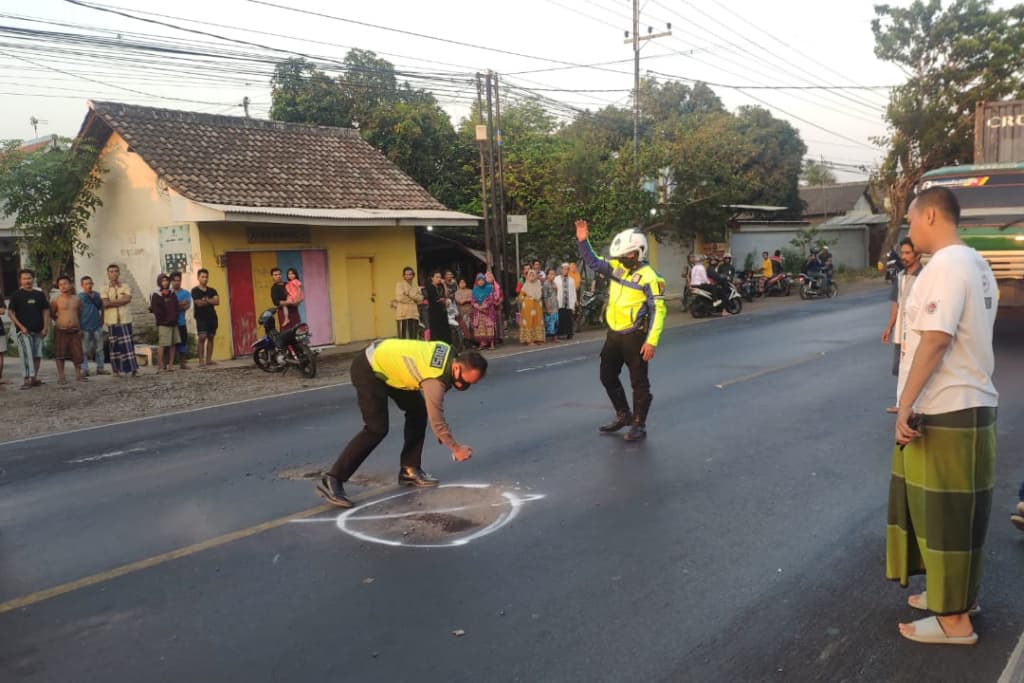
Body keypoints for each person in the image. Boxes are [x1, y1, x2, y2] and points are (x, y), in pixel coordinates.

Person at [887, 187, 998, 646]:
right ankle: (954, 596)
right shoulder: (976, 262)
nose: (909, 231)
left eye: (912, 221)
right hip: (965, 402)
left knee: (947, 516)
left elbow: (934, 339)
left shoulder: (947, 266)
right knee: (948, 514)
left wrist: (907, 402)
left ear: (931, 215)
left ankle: (955, 622)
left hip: (948, 406)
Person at [316, 340, 488, 508]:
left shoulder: (449, 352)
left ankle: (409, 469)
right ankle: (333, 479)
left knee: (417, 412)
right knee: (376, 429)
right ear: (457, 367)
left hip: (391, 367)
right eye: (464, 381)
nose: (463, 386)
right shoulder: (435, 379)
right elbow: (437, 421)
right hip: (369, 368)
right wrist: (456, 449)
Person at [576, 220, 666, 441]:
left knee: (639, 382)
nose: (620, 260)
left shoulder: (651, 278)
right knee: (607, 376)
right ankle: (623, 414)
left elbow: (658, 311)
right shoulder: (618, 268)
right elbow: (595, 263)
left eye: (624, 256)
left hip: (635, 337)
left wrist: (651, 341)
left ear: (636, 253)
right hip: (614, 335)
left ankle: (639, 424)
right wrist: (582, 241)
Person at [881, 238, 922, 413]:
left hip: (917, 331)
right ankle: (902, 403)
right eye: (902, 253)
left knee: (916, 367)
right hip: (901, 331)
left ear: (917, 254)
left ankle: (915, 405)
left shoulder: (924, 277)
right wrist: (889, 327)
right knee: (900, 367)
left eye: (907, 253)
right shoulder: (900, 276)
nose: (903, 257)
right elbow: (896, 304)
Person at [7, 269, 50, 389]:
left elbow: (45, 310)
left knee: (37, 355)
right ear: (20, 280)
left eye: (29, 278)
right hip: (24, 331)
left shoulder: (39, 294)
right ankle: (26, 380)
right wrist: (21, 327)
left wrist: (45, 327)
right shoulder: (16, 295)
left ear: (33, 279)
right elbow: (10, 313)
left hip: (39, 331)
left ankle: (34, 378)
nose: (27, 281)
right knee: (26, 355)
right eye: (25, 278)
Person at [101, 264, 138, 378]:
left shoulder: (125, 286)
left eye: (116, 271)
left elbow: (127, 299)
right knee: (114, 346)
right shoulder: (104, 288)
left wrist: (112, 302)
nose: (114, 273)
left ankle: (132, 369)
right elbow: (105, 303)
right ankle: (116, 370)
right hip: (112, 321)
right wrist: (120, 301)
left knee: (128, 345)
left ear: (119, 273)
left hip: (125, 320)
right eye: (111, 271)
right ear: (108, 274)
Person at [50, 276, 85, 384]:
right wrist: (61, 321)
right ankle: (61, 377)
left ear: (70, 284)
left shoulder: (77, 299)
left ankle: (78, 375)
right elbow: (52, 314)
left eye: (65, 283)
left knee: (77, 353)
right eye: (60, 285)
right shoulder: (56, 300)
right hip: (61, 330)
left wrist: (80, 328)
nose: (63, 286)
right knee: (60, 354)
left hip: (75, 330)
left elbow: (79, 314)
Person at [150, 273, 180, 372]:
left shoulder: (172, 293)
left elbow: (176, 306)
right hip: (163, 323)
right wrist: (163, 320)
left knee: (173, 344)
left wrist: (174, 317)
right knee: (162, 344)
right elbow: (156, 309)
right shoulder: (156, 294)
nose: (165, 282)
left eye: (166, 280)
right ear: (159, 282)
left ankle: (171, 365)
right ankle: (160, 365)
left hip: (173, 322)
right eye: (163, 280)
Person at [78, 276, 107, 377]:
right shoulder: (79, 297)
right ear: (82, 285)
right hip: (84, 326)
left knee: (99, 348)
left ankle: (100, 368)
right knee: (84, 350)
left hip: (96, 325)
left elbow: (102, 307)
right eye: (86, 284)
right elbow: (77, 312)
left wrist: (102, 318)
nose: (88, 286)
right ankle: (84, 369)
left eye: (90, 283)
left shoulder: (97, 295)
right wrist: (79, 327)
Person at [191, 268, 220, 367]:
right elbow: (198, 303)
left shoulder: (212, 290)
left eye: (206, 277)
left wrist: (206, 300)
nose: (205, 279)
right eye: (202, 277)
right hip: (201, 317)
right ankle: (201, 361)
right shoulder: (195, 290)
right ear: (198, 278)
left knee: (211, 337)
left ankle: (209, 360)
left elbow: (217, 301)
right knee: (202, 337)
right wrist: (209, 300)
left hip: (212, 317)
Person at [393, 266, 424, 340]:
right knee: (402, 337)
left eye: (410, 274)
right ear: (403, 276)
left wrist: (409, 294)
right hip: (402, 314)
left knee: (413, 336)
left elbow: (420, 300)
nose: (408, 276)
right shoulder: (400, 284)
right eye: (406, 274)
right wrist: (413, 299)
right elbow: (400, 298)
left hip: (414, 313)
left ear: (413, 275)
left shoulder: (415, 286)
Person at [517, 269, 545, 345]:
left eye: (533, 275)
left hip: (537, 306)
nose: (532, 277)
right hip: (528, 308)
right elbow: (520, 297)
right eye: (530, 275)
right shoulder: (525, 285)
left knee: (537, 322)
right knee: (529, 322)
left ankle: (537, 339)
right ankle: (529, 340)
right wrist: (527, 298)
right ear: (528, 276)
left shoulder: (538, 284)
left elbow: (540, 295)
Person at [170, 272, 191, 369]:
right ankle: (169, 364)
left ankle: (182, 363)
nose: (177, 283)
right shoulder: (168, 293)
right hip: (170, 322)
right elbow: (167, 308)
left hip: (181, 321)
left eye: (179, 280)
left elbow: (186, 306)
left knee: (183, 342)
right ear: (171, 281)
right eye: (175, 281)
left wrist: (175, 306)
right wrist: (179, 304)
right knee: (171, 343)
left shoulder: (186, 293)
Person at [471, 273, 498, 350]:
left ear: (484, 280)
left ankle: (492, 344)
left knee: (489, 327)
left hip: (488, 311)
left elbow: (491, 299)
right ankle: (482, 344)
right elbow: (472, 300)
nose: (480, 282)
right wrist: (478, 306)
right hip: (478, 312)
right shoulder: (475, 290)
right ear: (477, 281)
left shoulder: (489, 288)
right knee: (480, 327)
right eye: (479, 280)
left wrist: (484, 306)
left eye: (482, 280)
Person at [426, 270, 451, 344]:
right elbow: (436, 299)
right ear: (432, 278)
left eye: (440, 277)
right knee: (436, 331)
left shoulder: (440, 286)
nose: (439, 279)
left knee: (445, 330)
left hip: (442, 311)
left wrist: (444, 284)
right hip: (434, 312)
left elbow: (446, 295)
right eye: (436, 277)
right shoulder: (430, 287)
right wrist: (443, 300)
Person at [554, 262, 577, 340]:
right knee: (561, 318)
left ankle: (569, 333)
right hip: (560, 302)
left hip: (569, 302)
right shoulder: (556, 279)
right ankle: (560, 333)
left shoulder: (571, 280)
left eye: (567, 269)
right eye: (564, 269)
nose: (565, 271)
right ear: (561, 270)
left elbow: (573, 291)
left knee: (568, 318)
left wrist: (574, 302)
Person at [269, 268, 292, 332]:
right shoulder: (274, 289)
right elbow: (276, 302)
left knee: (298, 332)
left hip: (294, 311)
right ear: (272, 277)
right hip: (283, 313)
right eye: (275, 275)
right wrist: (290, 302)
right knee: (286, 333)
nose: (278, 276)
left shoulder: (288, 284)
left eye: (279, 274)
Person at [454, 278, 475, 344]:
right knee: (465, 327)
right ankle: (468, 342)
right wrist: (467, 300)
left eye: (463, 282)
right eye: (461, 282)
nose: (462, 284)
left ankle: (474, 341)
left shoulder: (470, 291)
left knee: (472, 327)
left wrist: (466, 300)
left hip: (471, 311)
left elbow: (473, 299)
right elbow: (460, 301)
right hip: (462, 312)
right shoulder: (457, 292)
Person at [542, 268, 559, 341]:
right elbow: (545, 297)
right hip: (549, 305)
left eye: (553, 274)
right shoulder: (546, 284)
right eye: (551, 274)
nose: (552, 275)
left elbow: (555, 294)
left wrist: (556, 289)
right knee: (549, 321)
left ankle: (555, 337)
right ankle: (549, 337)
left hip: (555, 304)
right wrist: (547, 307)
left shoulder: (554, 283)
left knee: (556, 321)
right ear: (547, 275)